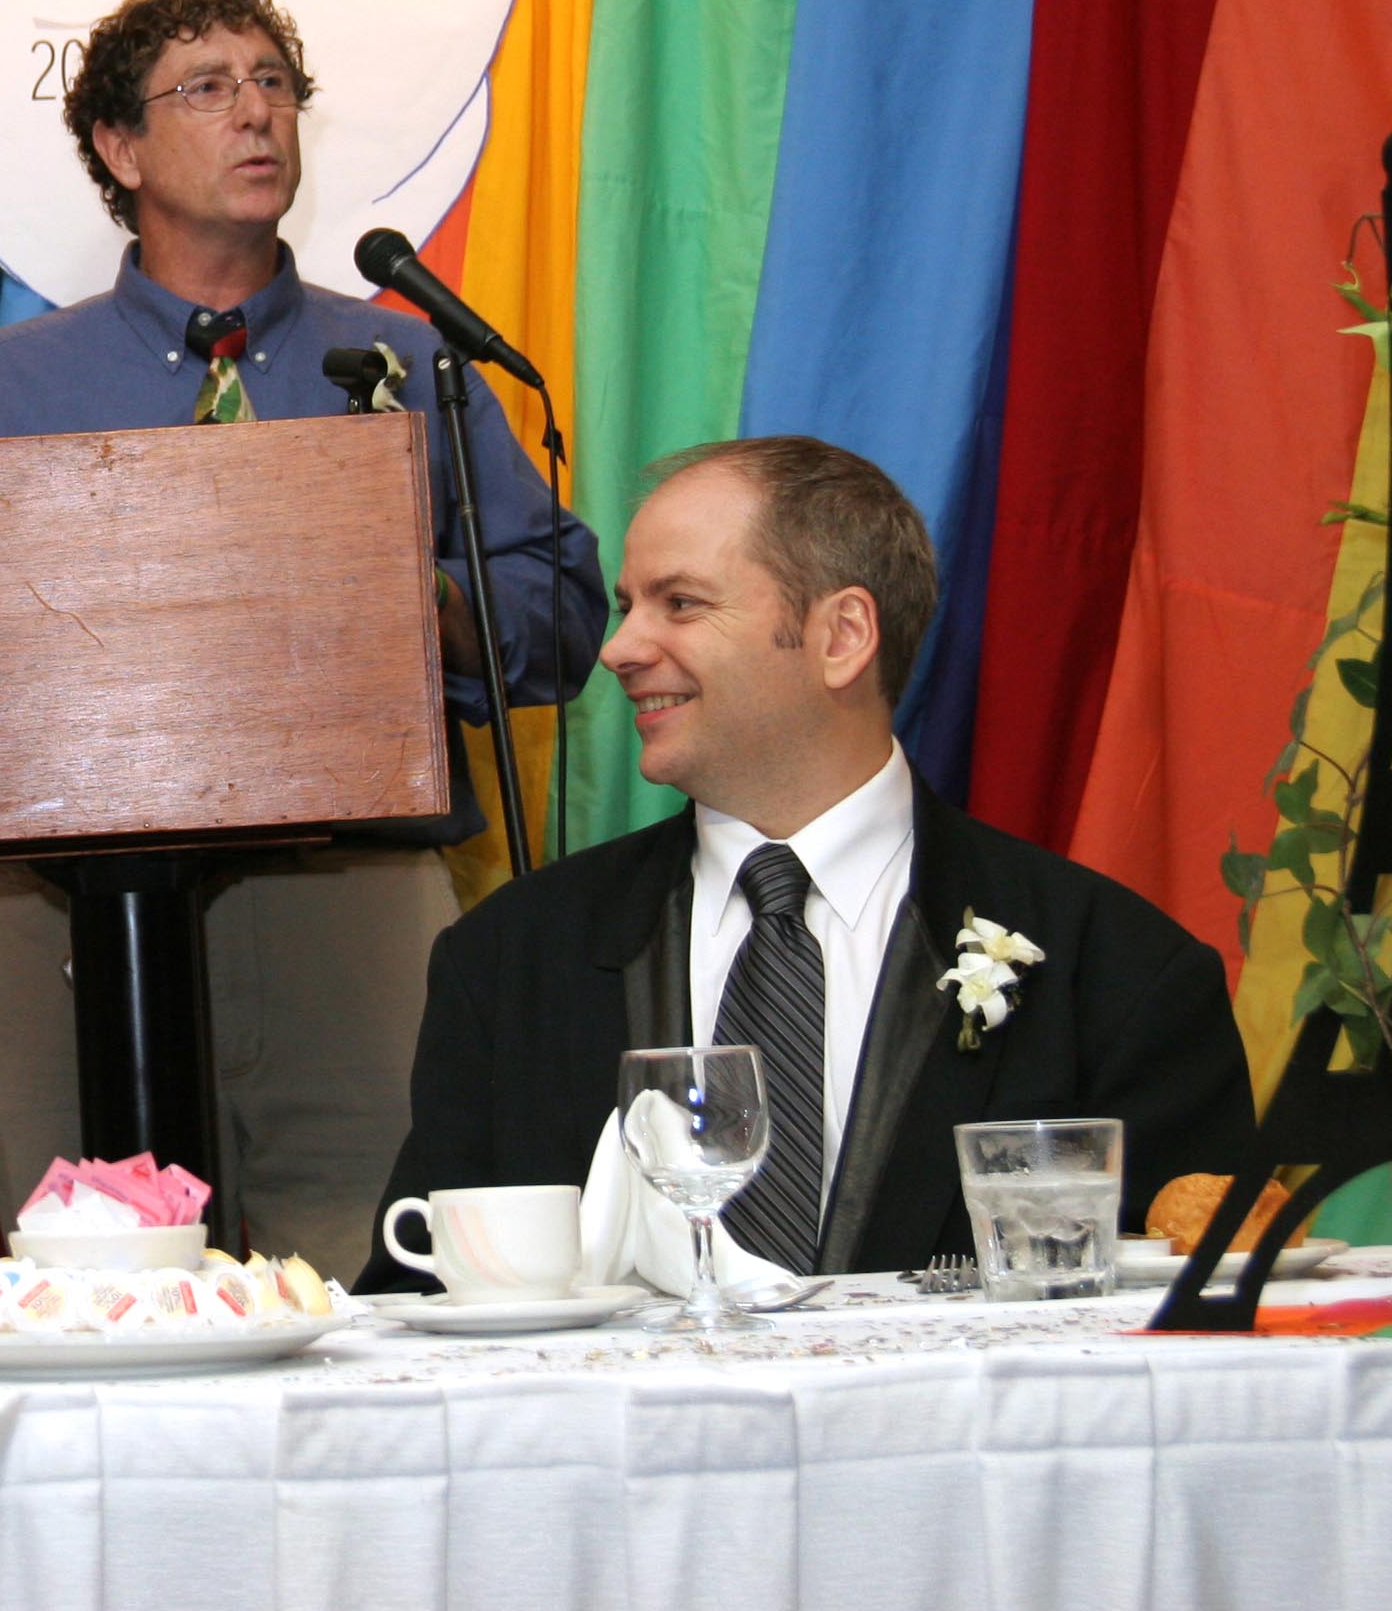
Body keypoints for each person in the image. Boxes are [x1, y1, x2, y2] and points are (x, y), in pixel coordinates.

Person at [0, 0, 607, 1277]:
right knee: (96, 1293)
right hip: (66, 909)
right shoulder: (6, 388)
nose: (257, 114)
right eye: (210, 87)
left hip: (350, 893)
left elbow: (564, 613)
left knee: (372, 1283)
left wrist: (402, 594)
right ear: (119, 148)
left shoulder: (416, 365)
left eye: (276, 84)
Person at [359, 436, 1256, 1287]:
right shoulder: (508, 962)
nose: (619, 649)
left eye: (680, 602)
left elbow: (1190, 1341)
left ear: (842, 636)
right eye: (629, 604)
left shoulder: (1119, 975)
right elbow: (415, 1302)